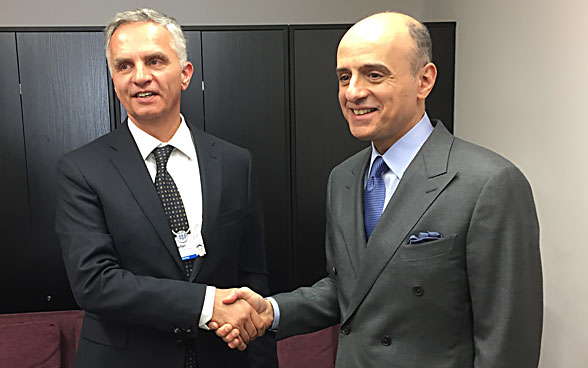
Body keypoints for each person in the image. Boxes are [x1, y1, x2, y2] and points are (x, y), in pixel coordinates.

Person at [214, 11, 543, 368]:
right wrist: (271, 310)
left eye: (374, 74)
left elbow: (507, 343)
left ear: (424, 81)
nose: (353, 92)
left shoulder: (489, 183)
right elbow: (351, 288)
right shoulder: (343, 178)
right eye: (344, 77)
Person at [55, 8, 277, 368]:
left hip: (225, 358)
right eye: (124, 66)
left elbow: (253, 276)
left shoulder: (235, 162)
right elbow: (95, 282)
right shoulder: (81, 169)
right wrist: (207, 305)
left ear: (185, 74)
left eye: (155, 61)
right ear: (114, 80)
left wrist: (259, 351)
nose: (140, 77)